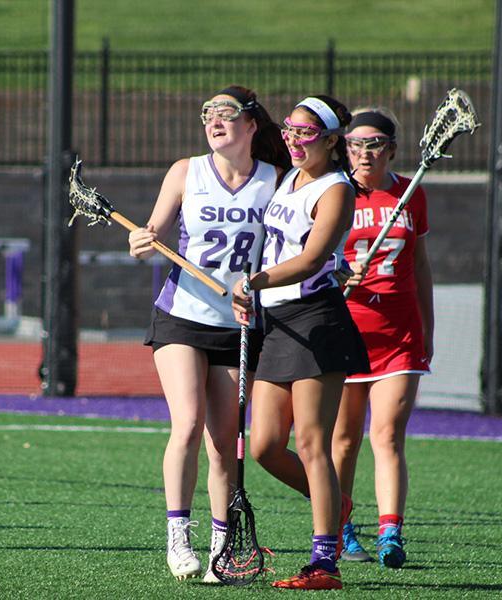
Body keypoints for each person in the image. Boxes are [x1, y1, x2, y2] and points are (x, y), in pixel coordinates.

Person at [127, 85, 290, 582]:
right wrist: (143, 239)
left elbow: (288, 249)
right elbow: (151, 231)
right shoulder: (186, 172)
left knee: (225, 443)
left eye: (226, 113)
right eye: (208, 114)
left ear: (251, 125)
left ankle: (222, 548)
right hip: (181, 315)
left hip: (238, 322)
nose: (214, 121)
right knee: (188, 423)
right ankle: (179, 536)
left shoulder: (277, 181)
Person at [231, 95, 370, 591]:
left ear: (333, 142)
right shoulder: (288, 177)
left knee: (313, 443)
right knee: (267, 445)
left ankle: (323, 564)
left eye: (306, 132)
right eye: (289, 129)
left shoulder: (335, 189)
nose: (293, 139)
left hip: (317, 322)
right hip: (278, 321)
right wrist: (252, 294)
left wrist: (256, 281)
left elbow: (312, 259)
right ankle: (334, 502)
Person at [334, 106, 434, 568]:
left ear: (392, 149)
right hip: (346, 328)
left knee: (387, 434)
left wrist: (427, 325)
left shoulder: (411, 194)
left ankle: (391, 531)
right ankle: (339, 527)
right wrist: (339, 272)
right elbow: (306, 256)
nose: (364, 153)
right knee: (343, 440)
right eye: (355, 144)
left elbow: (419, 263)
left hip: (400, 333)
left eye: (374, 144)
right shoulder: (335, 195)